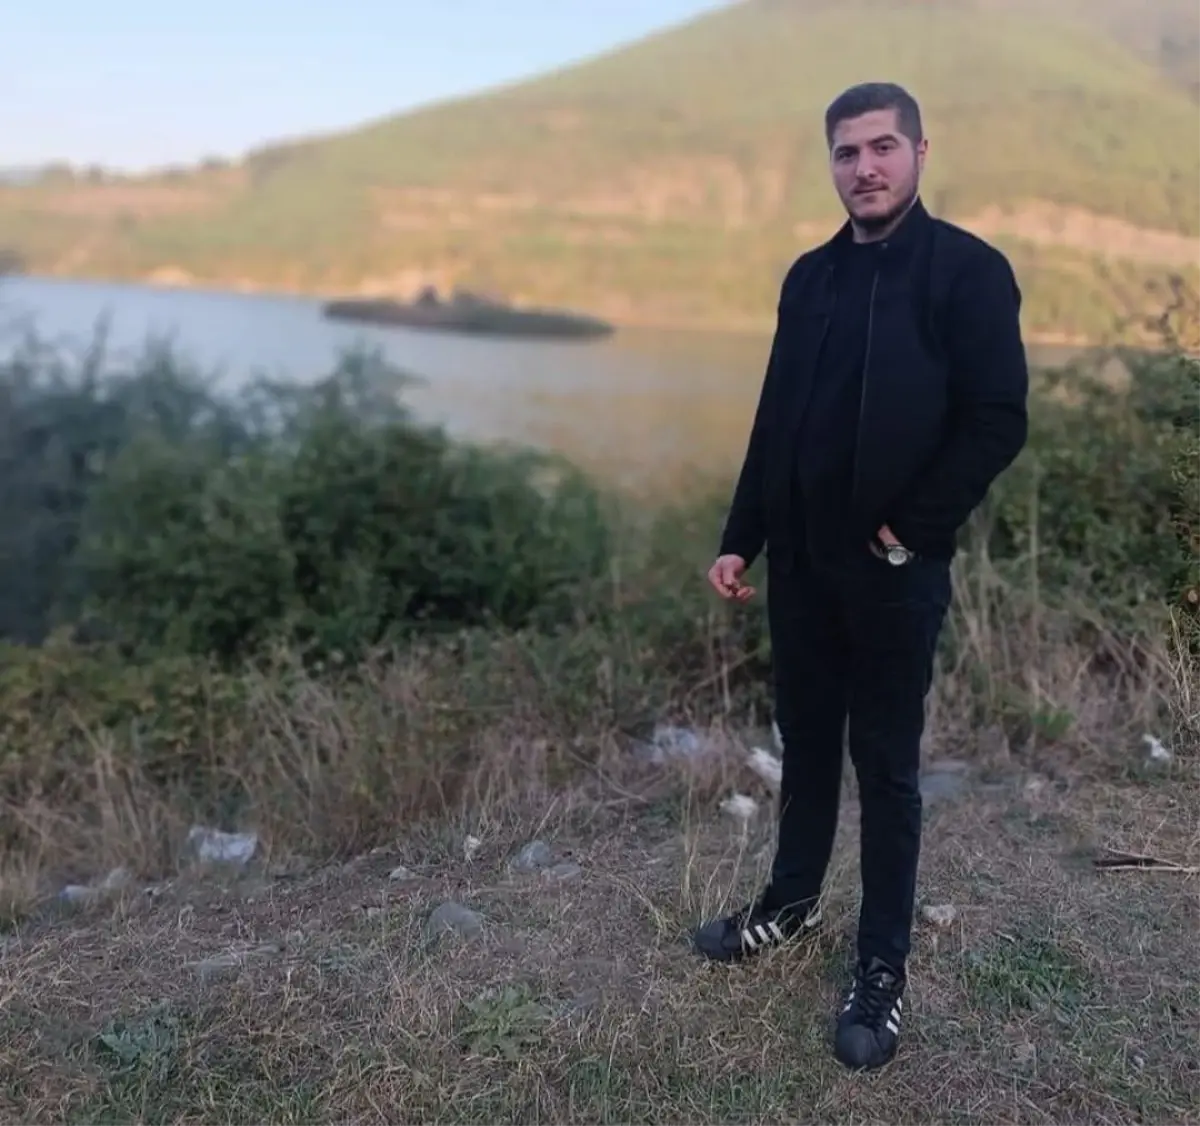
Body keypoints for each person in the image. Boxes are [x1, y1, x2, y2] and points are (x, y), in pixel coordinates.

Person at [692, 82, 1029, 1072]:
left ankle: (880, 968)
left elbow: (997, 419)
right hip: (802, 566)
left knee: (885, 768)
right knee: (805, 745)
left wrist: (908, 531)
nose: (865, 167)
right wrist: (742, 536)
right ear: (831, 165)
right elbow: (776, 418)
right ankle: (790, 905)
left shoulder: (967, 272)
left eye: (883, 146)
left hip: (894, 569)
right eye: (847, 152)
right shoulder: (810, 278)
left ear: (921, 151)